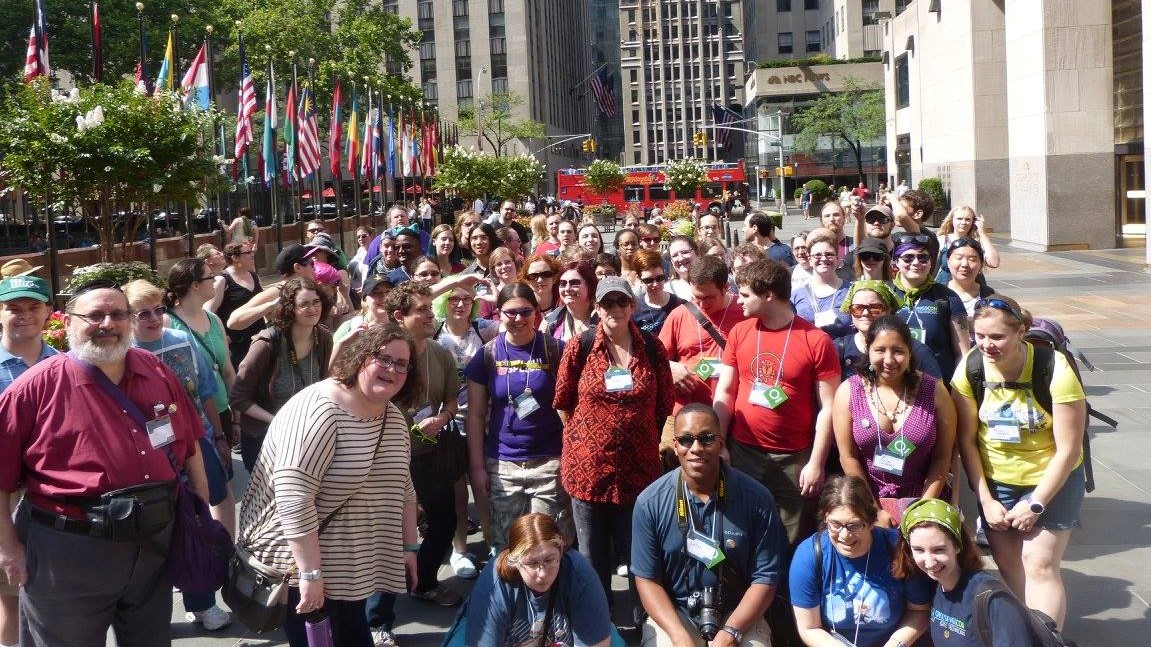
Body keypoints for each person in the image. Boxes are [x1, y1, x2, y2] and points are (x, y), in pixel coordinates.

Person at [0, 279, 209, 645]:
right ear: (68, 323)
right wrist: (8, 548)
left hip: (153, 546)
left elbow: (189, 446)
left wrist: (200, 513)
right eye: (95, 315)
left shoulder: (155, 369)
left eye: (118, 314)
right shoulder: (32, 389)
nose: (108, 324)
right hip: (68, 554)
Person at [236, 324, 420, 646]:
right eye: (383, 358)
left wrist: (408, 547)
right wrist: (310, 575)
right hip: (301, 565)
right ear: (360, 357)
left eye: (401, 363)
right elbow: (294, 497)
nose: (392, 369)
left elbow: (403, 485)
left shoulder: (390, 415)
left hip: (352, 566)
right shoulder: (320, 409)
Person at [951, 295, 1087, 629]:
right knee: (1011, 566)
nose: (987, 345)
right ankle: (1025, 630)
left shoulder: (1052, 367)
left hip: (1052, 477)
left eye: (997, 337)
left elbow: (1068, 448)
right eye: (980, 336)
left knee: (1039, 564)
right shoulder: (969, 368)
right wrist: (985, 499)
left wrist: (1037, 503)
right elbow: (966, 441)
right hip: (998, 480)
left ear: (1021, 331)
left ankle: (1046, 637)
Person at [553, 276, 674, 603]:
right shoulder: (580, 346)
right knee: (593, 559)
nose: (615, 309)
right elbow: (563, 401)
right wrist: (584, 438)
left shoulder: (651, 346)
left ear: (633, 306)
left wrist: (638, 432)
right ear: (597, 307)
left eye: (622, 302)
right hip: (589, 473)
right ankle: (598, 624)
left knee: (641, 558)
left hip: (639, 472)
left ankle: (645, 623)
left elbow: (663, 404)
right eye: (608, 303)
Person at [124, 279, 234, 631]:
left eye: (158, 309)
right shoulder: (121, 355)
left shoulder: (181, 341)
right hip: (148, 456)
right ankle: (150, 613)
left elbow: (205, 391)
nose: (154, 318)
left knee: (197, 519)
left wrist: (218, 435)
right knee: (156, 529)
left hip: (193, 442)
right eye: (144, 313)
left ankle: (201, 602)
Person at [631, 404, 786, 646]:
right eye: (686, 440)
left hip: (739, 614)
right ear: (675, 445)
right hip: (677, 612)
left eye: (706, 439)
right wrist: (678, 635)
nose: (696, 448)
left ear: (721, 443)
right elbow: (647, 580)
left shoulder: (757, 498)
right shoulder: (650, 502)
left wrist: (732, 631)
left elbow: (765, 577)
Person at [714, 259, 841, 547]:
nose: (738, 301)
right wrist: (719, 444)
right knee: (742, 531)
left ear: (769, 295)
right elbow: (725, 392)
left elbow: (828, 408)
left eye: (745, 295)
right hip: (744, 451)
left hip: (793, 458)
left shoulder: (816, 340)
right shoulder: (740, 332)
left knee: (793, 536)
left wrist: (816, 463)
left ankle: (787, 591)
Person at [465, 285, 570, 552]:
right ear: (499, 314)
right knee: (508, 545)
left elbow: (572, 408)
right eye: (511, 313)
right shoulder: (487, 355)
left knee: (546, 544)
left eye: (526, 311)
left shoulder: (556, 350)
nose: (519, 319)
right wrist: (478, 469)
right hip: (503, 463)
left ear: (536, 312)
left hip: (549, 460)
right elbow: (475, 417)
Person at [832, 315, 957, 526]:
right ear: (868, 350)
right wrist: (873, 509)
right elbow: (848, 458)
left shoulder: (935, 391)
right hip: (868, 500)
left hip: (925, 498)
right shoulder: (848, 391)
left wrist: (923, 509)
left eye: (898, 351)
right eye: (880, 350)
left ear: (910, 353)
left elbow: (943, 458)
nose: (889, 360)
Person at [789, 476, 932, 647]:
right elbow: (809, 627)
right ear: (825, 518)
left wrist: (895, 643)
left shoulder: (898, 549)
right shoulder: (809, 555)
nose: (844, 535)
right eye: (835, 524)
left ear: (872, 522)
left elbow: (919, 611)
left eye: (855, 525)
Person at [891, 498, 1034, 646]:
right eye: (919, 550)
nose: (929, 562)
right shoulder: (935, 588)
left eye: (939, 550)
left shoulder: (992, 599)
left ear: (957, 546)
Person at [0, 276, 57, 647]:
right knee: (11, 598)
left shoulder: (66, 364)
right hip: (6, 497)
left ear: (48, 312)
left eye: (33, 307)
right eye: (13, 308)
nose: (24, 316)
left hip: (54, 496)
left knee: (56, 597)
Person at [464, 513, 615, 646]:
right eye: (532, 563)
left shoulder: (581, 575)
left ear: (561, 551)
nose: (542, 574)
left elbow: (597, 644)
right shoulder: (493, 584)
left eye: (549, 560)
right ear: (515, 561)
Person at [231, 277, 333, 472]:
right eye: (304, 304)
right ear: (290, 308)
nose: (312, 309)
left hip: (306, 434)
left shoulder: (324, 337)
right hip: (266, 438)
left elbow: (324, 383)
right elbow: (238, 398)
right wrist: (277, 419)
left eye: (316, 302)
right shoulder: (267, 344)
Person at [888, 231, 970, 381]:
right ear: (896, 262)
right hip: (895, 384)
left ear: (931, 262)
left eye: (923, 258)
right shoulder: (885, 294)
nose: (916, 263)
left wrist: (956, 391)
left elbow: (963, 353)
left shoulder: (947, 297)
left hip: (937, 386)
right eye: (908, 258)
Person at [834, 281, 942, 380]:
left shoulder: (916, 350)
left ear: (888, 310)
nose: (865, 313)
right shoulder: (838, 347)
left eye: (874, 307)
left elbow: (936, 393)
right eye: (858, 308)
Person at [226, 243, 318, 332]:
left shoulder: (311, 289)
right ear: (297, 267)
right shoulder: (276, 292)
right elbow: (233, 321)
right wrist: (271, 305)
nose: (314, 268)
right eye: (312, 264)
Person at [791, 232, 853, 338]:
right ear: (810, 260)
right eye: (817, 255)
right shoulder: (796, 294)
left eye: (829, 254)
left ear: (838, 259)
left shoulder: (852, 291)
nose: (823, 259)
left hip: (843, 353)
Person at [213, 242, 264, 369]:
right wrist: (222, 339)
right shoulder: (222, 280)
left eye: (251, 251)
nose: (252, 254)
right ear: (235, 258)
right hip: (236, 345)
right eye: (248, 253)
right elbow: (209, 312)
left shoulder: (253, 275)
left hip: (258, 338)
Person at [935, 206, 1001, 284]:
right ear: (952, 220)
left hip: (974, 286)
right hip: (946, 286)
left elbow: (994, 263)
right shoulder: (942, 240)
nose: (963, 222)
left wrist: (982, 233)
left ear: (973, 221)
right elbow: (933, 269)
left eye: (967, 219)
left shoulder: (978, 241)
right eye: (959, 219)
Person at [542, 259, 598, 342]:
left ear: (589, 285)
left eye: (574, 283)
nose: (567, 288)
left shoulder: (602, 319)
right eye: (563, 284)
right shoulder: (550, 321)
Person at [631, 248, 683, 335]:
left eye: (660, 278)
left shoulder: (679, 304)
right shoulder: (635, 309)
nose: (655, 284)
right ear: (639, 279)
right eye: (649, 280)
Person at [945, 237, 996, 318]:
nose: (965, 264)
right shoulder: (936, 295)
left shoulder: (990, 296)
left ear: (981, 264)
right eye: (959, 258)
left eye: (972, 259)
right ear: (948, 262)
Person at [667, 235, 699, 300]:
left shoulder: (713, 282)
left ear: (697, 253)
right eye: (675, 255)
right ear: (671, 262)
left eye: (685, 252)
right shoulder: (668, 290)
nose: (680, 258)